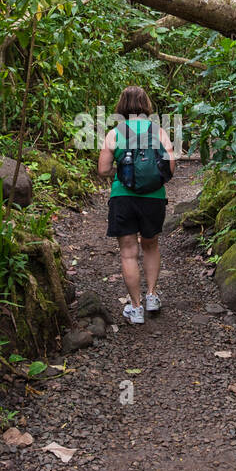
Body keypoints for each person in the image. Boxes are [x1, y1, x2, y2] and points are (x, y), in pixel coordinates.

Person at [97, 86, 176, 325]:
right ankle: (152, 295)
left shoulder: (115, 133)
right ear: (146, 105)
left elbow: (102, 170)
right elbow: (170, 168)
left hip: (123, 197)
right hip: (153, 198)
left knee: (129, 253)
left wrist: (122, 168)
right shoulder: (159, 131)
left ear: (121, 106)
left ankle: (136, 307)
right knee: (151, 246)